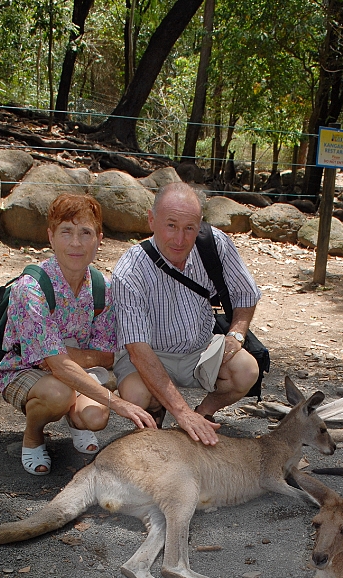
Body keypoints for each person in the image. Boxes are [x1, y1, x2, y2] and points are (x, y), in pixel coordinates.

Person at [0, 193, 155, 474]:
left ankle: (75, 417)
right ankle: (33, 437)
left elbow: (106, 357)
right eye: (66, 232)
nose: (76, 243)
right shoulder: (31, 288)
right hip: (23, 370)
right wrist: (116, 402)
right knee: (58, 393)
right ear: (51, 237)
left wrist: (61, 356)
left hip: (70, 370)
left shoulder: (102, 288)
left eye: (85, 233)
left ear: (99, 239)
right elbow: (53, 364)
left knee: (95, 417)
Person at [110, 183, 261, 447]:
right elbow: (138, 350)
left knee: (247, 370)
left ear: (199, 224)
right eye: (171, 225)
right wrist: (182, 412)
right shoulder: (130, 271)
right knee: (137, 395)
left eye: (189, 228)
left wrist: (236, 333)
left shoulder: (215, 245)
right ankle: (157, 419)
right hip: (150, 353)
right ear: (151, 220)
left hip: (199, 349)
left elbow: (246, 294)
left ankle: (205, 412)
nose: (180, 240)